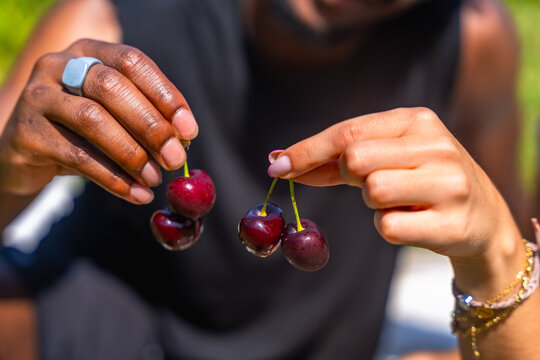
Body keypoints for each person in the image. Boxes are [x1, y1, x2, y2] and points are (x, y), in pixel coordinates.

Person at [0, 0, 535, 359]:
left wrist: (496, 252)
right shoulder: (112, 15)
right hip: (101, 327)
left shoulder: (465, 41)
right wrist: (11, 166)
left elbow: (514, 268)